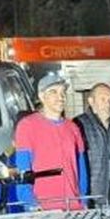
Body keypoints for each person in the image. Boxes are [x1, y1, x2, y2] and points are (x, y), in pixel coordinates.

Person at [13, 73, 86, 210]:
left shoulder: (73, 128)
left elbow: (81, 168)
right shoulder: (27, 126)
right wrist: (30, 203)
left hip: (73, 207)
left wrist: (83, 200)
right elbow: (23, 168)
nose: (61, 97)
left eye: (63, 92)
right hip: (43, 209)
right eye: (53, 92)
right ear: (41, 96)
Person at [76, 83, 110, 207]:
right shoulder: (79, 125)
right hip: (94, 199)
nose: (108, 104)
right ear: (91, 101)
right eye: (103, 99)